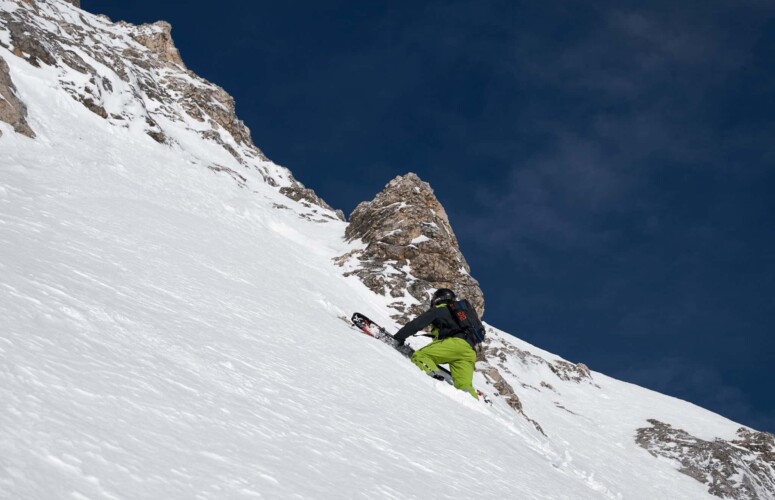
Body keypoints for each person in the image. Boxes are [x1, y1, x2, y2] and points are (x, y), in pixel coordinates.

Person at [393, 288, 478, 399]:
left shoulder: (440, 309)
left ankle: (435, 381)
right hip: (470, 352)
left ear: (437, 299)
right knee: (465, 386)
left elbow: (416, 324)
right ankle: (474, 404)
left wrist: (399, 337)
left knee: (421, 356)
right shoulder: (460, 315)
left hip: (456, 344)